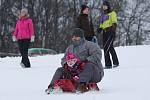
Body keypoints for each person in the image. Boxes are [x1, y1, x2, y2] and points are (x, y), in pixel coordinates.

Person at [45, 28, 104, 93]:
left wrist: (85, 61)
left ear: (81, 37)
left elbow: (97, 55)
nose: (74, 38)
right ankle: (52, 86)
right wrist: (65, 64)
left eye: (76, 36)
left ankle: (81, 85)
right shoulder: (70, 48)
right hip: (75, 73)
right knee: (60, 70)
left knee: (89, 65)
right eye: (73, 37)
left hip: (94, 73)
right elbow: (64, 59)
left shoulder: (90, 45)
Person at [97, 1, 119, 69]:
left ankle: (116, 63)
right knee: (105, 48)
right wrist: (100, 29)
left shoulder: (112, 13)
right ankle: (108, 64)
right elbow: (101, 24)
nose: (104, 7)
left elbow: (114, 22)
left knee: (110, 47)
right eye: (103, 6)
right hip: (105, 32)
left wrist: (112, 30)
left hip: (110, 31)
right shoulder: (102, 15)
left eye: (105, 5)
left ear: (108, 6)